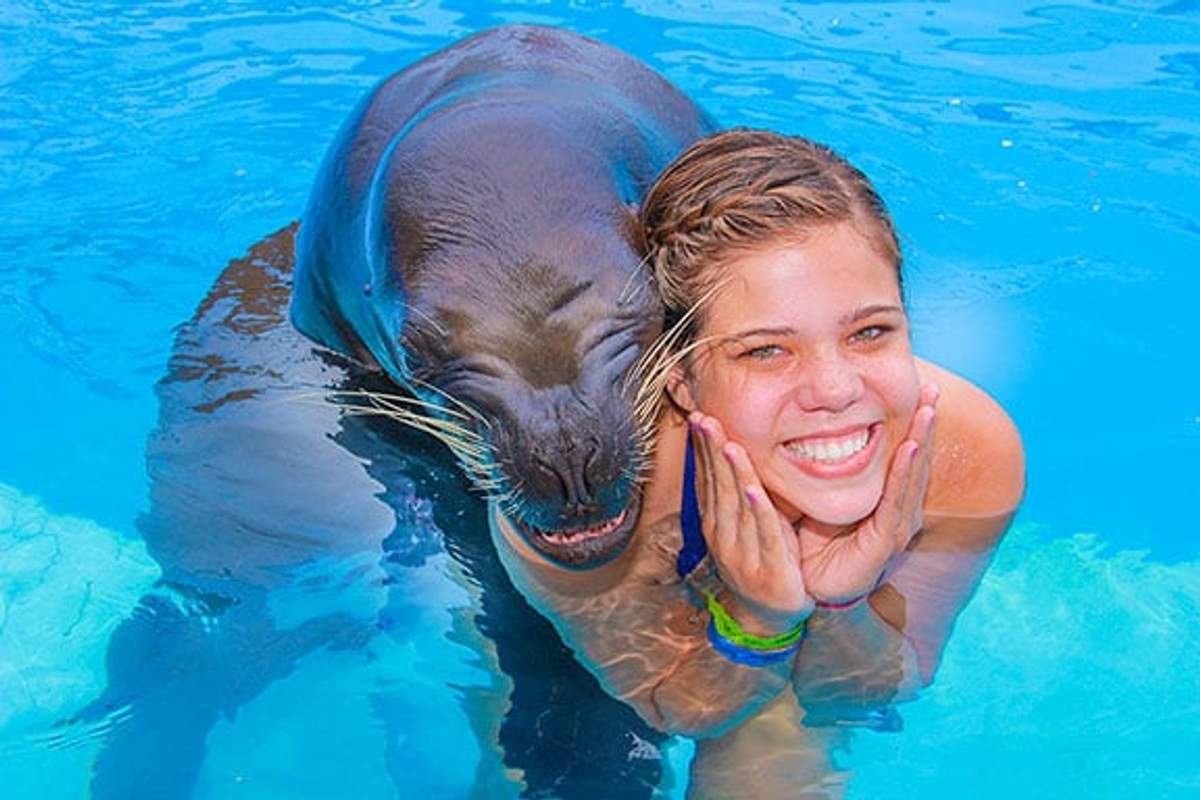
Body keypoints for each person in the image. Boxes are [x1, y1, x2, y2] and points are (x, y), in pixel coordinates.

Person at [488, 129, 1025, 796]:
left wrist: (842, 602)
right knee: (564, 762)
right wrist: (761, 621)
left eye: (870, 332)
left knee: (774, 754)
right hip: (548, 615)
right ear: (680, 378)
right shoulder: (605, 489)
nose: (835, 391)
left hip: (759, 636)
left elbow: (864, 694)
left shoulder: (963, 453)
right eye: (765, 350)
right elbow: (675, 707)